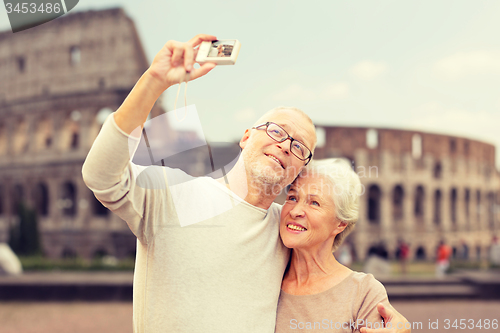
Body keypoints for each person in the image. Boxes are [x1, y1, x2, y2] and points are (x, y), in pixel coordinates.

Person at [82, 34, 409, 332]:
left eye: (299, 147)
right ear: (246, 136)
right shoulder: (173, 192)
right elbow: (100, 176)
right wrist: (153, 83)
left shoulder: (284, 233)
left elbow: (331, 282)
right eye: (277, 131)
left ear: (298, 171)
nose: (285, 145)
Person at [276, 159, 408, 333]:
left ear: (340, 224)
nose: (295, 211)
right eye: (292, 197)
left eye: (314, 202)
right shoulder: (265, 278)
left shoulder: (363, 293)